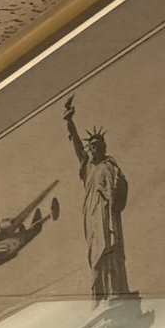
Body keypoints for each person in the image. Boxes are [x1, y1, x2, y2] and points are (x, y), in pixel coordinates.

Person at [66, 94, 131, 301]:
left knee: (111, 251)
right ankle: (99, 296)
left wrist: (115, 191)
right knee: (95, 255)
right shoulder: (88, 168)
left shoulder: (110, 167)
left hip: (108, 215)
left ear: (103, 148)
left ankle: (115, 292)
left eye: (97, 146)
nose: (93, 149)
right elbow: (77, 147)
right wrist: (70, 123)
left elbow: (121, 188)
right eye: (91, 146)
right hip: (92, 216)